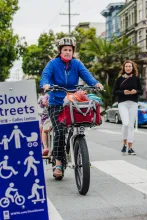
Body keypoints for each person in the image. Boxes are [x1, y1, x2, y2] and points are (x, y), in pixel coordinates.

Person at [40, 37, 103, 178]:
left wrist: (96, 83)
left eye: (70, 50)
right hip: (56, 103)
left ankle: (78, 149)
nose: (67, 52)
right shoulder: (53, 63)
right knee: (60, 131)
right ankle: (58, 163)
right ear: (60, 51)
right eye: (65, 50)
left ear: (73, 51)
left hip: (72, 102)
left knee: (79, 124)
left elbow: (87, 76)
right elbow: (45, 76)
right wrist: (45, 84)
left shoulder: (77, 64)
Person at [113, 60, 143, 155]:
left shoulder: (136, 78)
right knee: (125, 123)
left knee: (131, 125)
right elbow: (114, 92)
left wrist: (135, 91)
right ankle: (124, 143)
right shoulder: (119, 79)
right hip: (123, 103)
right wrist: (123, 92)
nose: (128, 68)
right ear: (124, 68)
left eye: (130, 66)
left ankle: (130, 148)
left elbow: (141, 91)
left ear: (132, 68)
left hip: (133, 103)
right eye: (126, 66)